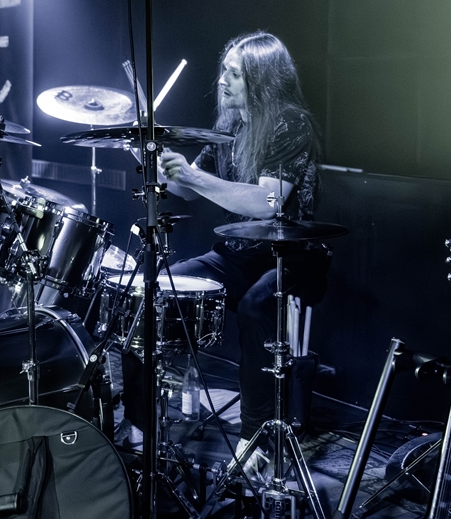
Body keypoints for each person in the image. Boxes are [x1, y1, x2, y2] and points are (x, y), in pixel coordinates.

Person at [121, 31, 330, 470]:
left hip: (292, 257)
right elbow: (189, 189)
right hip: (238, 255)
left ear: (262, 78)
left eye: (234, 73)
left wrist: (193, 177)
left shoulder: (290, 123)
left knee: (257, 306)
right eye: (224, 72)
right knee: (153, 290)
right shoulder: (230, 126)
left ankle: (254, 439)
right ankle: (142, 429)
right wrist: (157, 159)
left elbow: (268, 201)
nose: (222, 80)